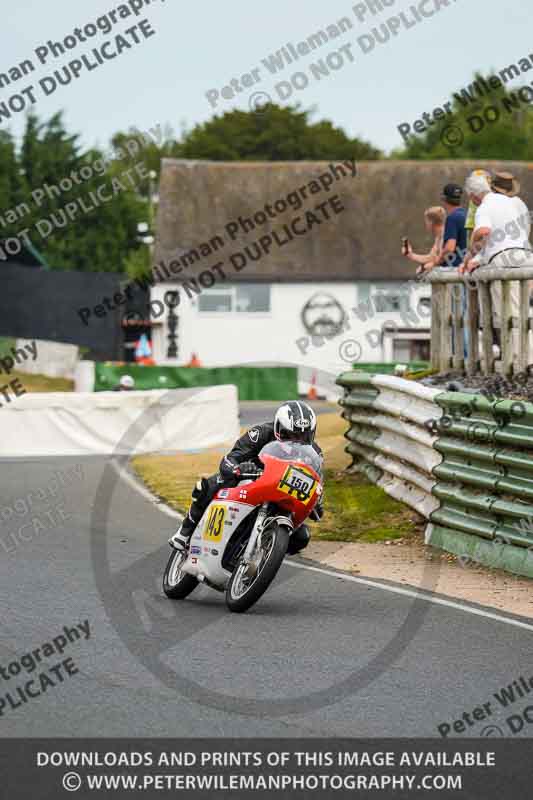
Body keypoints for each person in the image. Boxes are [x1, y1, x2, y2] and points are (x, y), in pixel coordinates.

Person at [169, 401, 324, 556]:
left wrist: (317, 503)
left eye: (303, 436)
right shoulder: (261, 433)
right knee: (210, 485)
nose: (296, 440)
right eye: (290, 434)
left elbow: (317, 482)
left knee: (302, 536)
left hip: (282, 493)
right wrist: (238, 468)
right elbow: (231, 458)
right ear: (278, 427)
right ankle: (185, 531)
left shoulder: (314, 453)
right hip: (252, 480)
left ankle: (266, 554)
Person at [459, 172, 533, 345]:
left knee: (506, 315)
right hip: (524, 255)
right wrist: (478, 258)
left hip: (504, 261)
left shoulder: (483, 208)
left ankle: (519, 362)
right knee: (523, 311)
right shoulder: (513, 202)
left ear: (473, 196)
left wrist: (472, 244)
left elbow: (484, 232)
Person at [402, 206, 445, 274]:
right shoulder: (439, 236)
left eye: (426, 221)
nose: (425, 223)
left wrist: (426, 266)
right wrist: (410, 255)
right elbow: (431, 257)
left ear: (431, 222)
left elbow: (440, 259)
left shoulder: (444, 235)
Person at [439, 183, 467, 268]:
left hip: (454, 270)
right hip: (466, 268)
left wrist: (436, 261)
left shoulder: (452, 218)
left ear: (444, 198)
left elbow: (449, 248)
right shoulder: (466, 215)